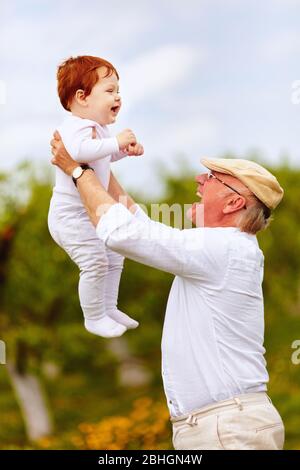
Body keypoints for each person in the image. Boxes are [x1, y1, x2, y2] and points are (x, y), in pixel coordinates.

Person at [50, 133, 285, 450]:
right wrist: (101, 165)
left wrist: (78, 171)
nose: (200, 180)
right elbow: (138, 224)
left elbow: (122, 232)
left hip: (227, 428)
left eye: (213, 178)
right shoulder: (225, 248)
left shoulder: (222, 246)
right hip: (226, 425)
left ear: (234, 202)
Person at [48, 55, 144, 338]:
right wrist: (115, 142)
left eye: (119, 91)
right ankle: (93, 317)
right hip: (69, 218)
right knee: (94, 261)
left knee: (114, 252)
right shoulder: (74, 126)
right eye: (110, 90)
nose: (118, 97)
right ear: (82, 97)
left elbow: (102, 155)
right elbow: (77, 153)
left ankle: (109, 307)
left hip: (88, 214)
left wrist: (123, 150)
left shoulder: (98, 129)